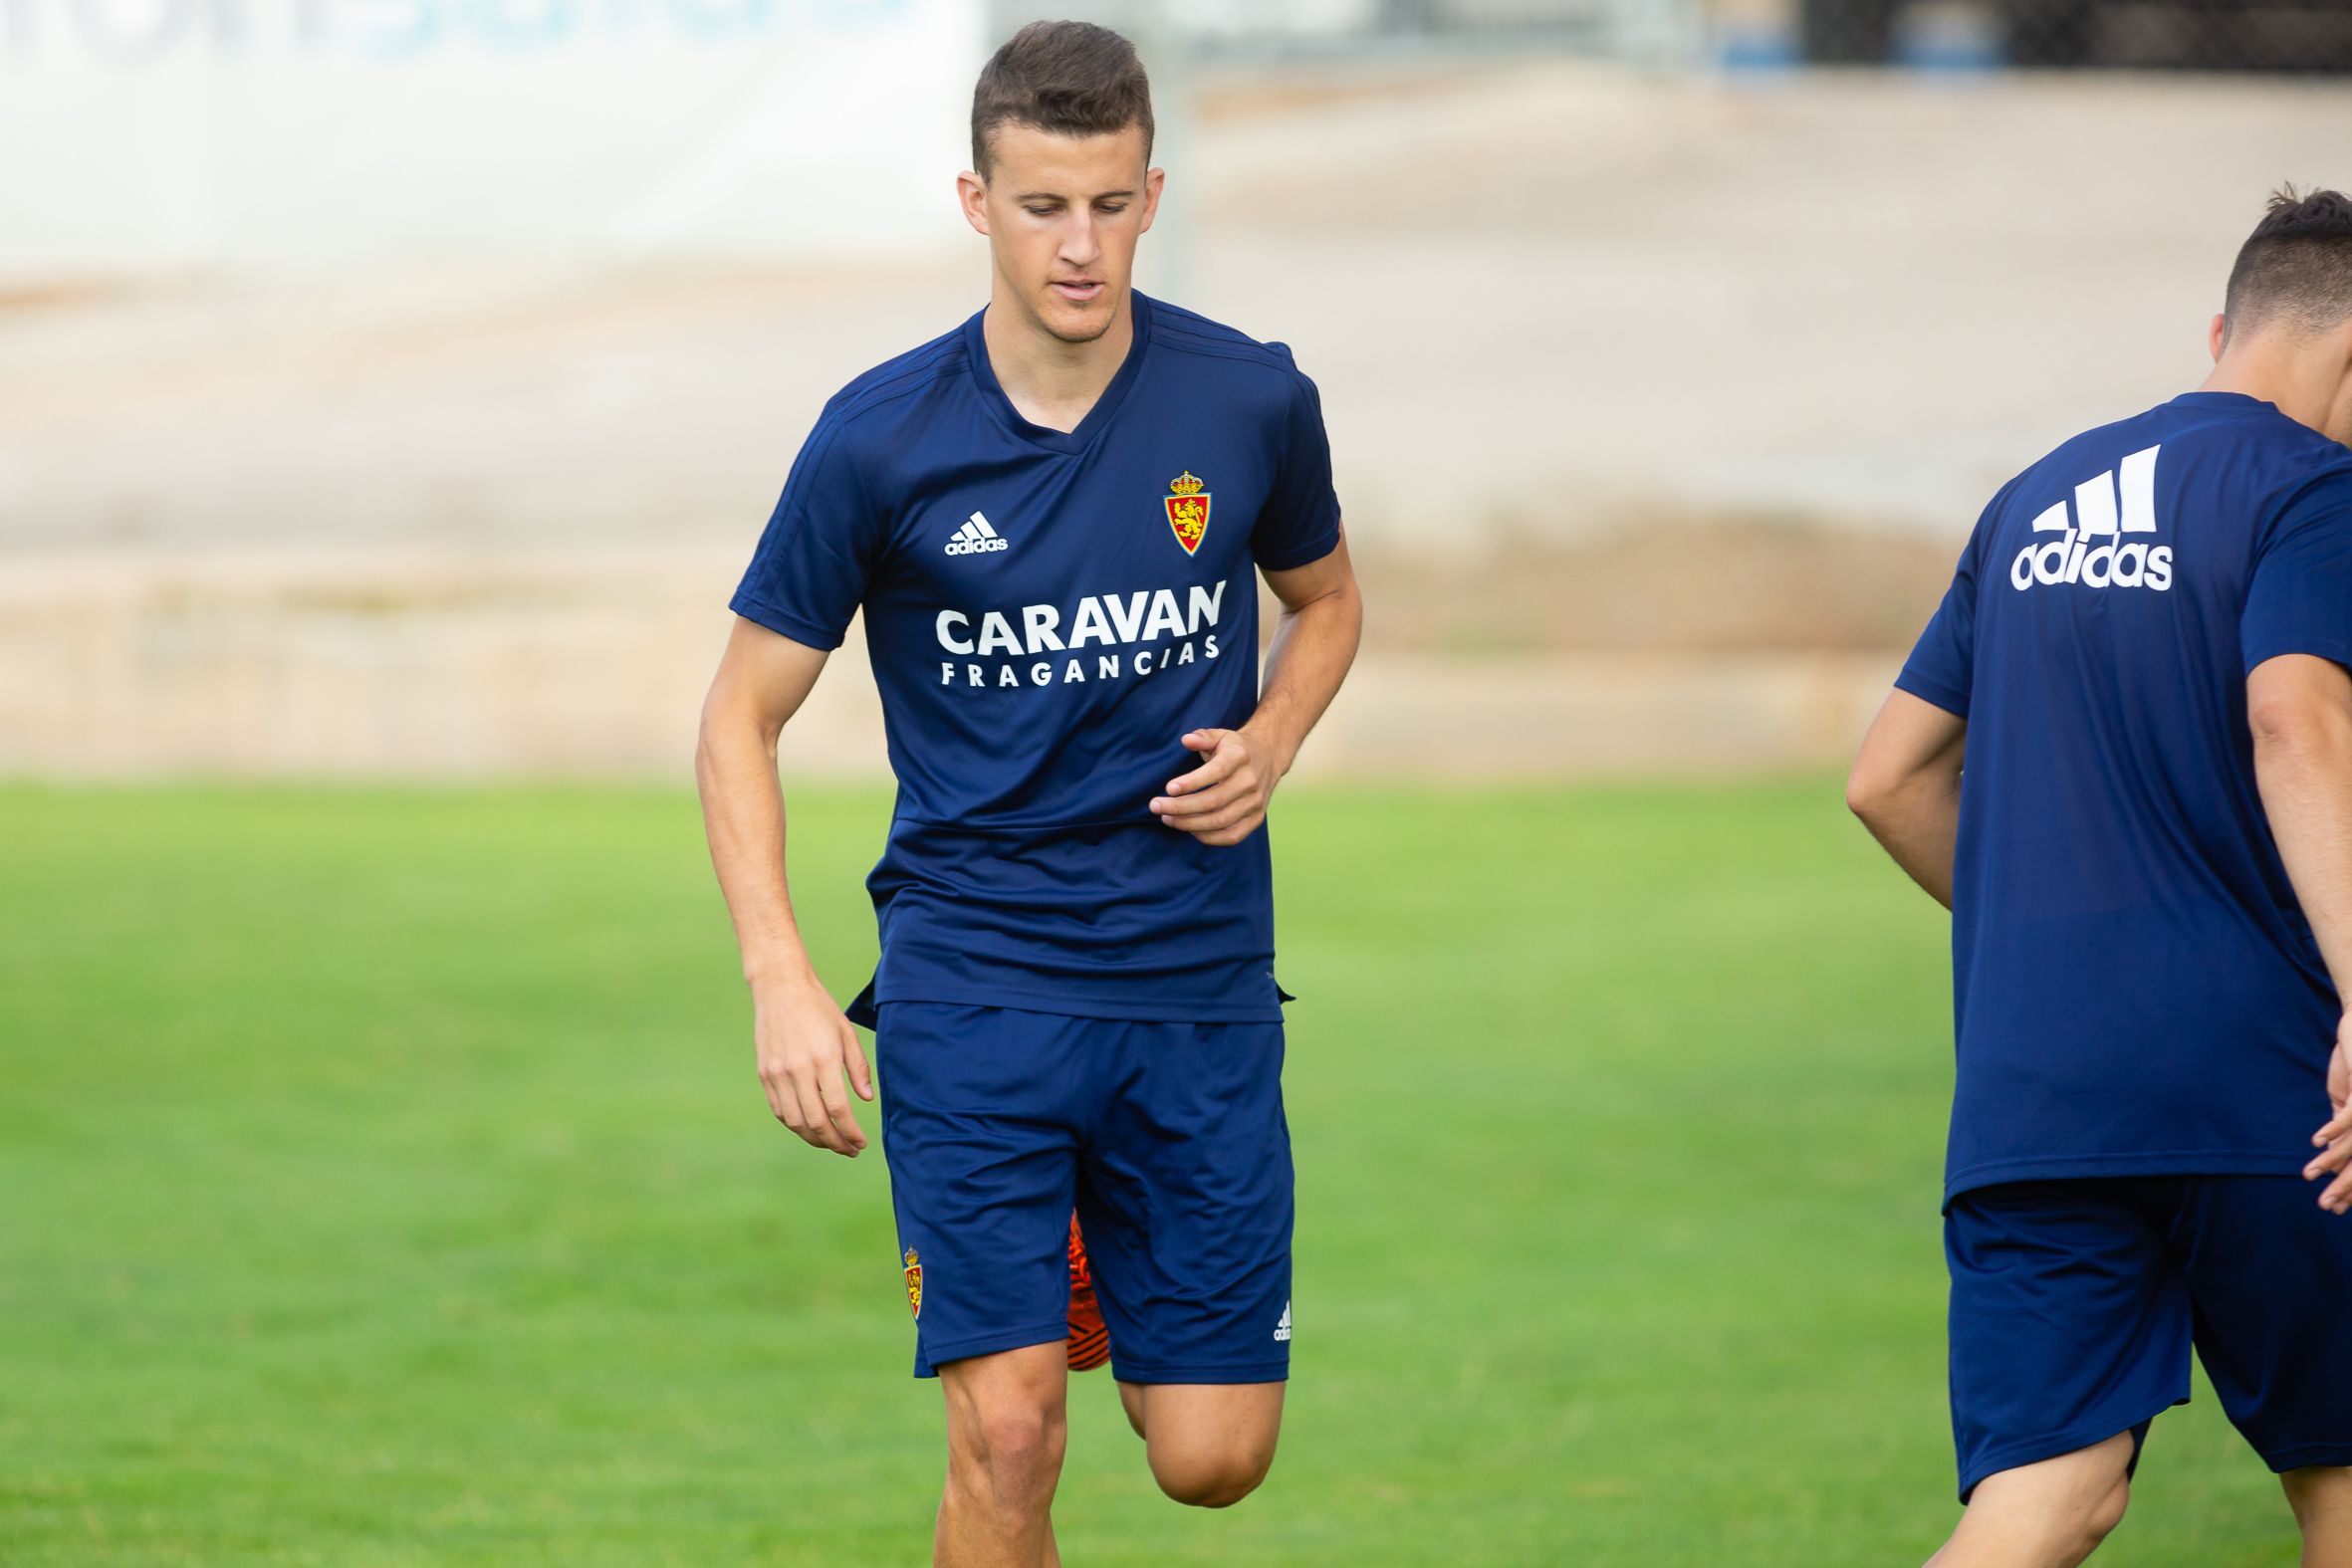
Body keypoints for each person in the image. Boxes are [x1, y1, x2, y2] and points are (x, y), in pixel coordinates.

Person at [693, 20, 1361, 1567]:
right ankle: (1021, 1273)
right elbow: (738, 716)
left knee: (1211, 1459)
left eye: (1111, 204)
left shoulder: (1248, 401)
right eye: (1043, 206)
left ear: (1152, 191)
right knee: (1008, 1432)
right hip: (973, 981)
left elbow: (1325, 605)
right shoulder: (879, 441)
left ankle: (1081, 1244)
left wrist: (1272, 736)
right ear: (974, 202)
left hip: (1190, 982)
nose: (1081, 245)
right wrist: (780, 976)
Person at [1848, 187, 2352, 1568]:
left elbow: (1883, 777)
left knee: (2049, 1496)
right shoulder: (2315, 492)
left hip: (2035, 1093)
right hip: (2267, 1086)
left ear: (2222, 331)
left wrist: (2057, 950)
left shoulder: (2033, 495)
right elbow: (2292, 722)